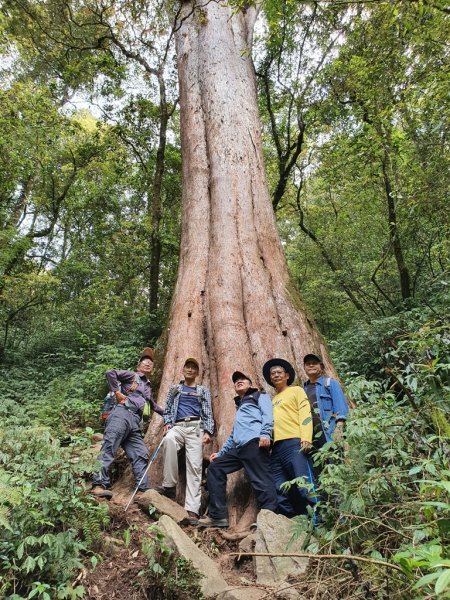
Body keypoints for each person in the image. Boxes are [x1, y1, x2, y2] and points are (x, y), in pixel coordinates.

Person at [198, 371, 278, 528]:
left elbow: (268, 415)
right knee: (215, 468)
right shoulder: (240, 406)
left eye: (243, 379)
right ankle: (218, 516)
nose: (239, 381)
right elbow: (234, 433)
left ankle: (269, 518)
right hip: (239, 448)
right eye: (236, 381)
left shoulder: (259, 395)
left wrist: (265, 433)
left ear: (250, 384)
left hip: (255, 443)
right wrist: (221, 453)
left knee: (261, 480)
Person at [91, 348, 164, 499]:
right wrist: (117, 392)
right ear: (138, 366)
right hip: (121, 414)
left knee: (140, 453)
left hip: (135, 423)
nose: (148, 364)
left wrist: (171, 415)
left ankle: (143, 489)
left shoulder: (148, 387)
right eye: (144, 362)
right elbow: (110, 373)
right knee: (110, 445)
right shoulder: (133, 376)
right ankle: (98, 485)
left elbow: (154, 406)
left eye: (150, 362)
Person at [262, 358, 318, 518]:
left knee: (304, 484)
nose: (276, 376)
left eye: (279, 373)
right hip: (276, 449)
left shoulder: (296, 391)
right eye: (273, 374)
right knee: (280, 489)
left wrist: (306, 437)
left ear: (287, 376)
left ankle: (317, 523)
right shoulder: (271, 401)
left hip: (294, 443)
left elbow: (305, 413)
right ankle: (293, 523)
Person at [161, 358, 214, 525]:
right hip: (177, 426)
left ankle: (192, 509)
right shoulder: (175, 389)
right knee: (168, 440)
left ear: (197, 373)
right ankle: (169, 486)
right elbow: (168, 407)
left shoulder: (202, 390)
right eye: (187, 367)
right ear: (183, 370)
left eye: (193, 368)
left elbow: (207, 411)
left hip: (195, 427)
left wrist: (208, 431)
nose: (190, 370)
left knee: (195, 466)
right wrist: (168, 422)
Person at [303, 353, 349, 455]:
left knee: (335, 461)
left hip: (329, 432)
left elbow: (340, 406)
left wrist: (339, 427)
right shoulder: (303, 389)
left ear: (321, 367)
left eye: (314, 363)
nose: (311, 365)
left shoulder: (330, 383)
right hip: (312, 437)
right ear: (304, 368)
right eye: (308, 364)